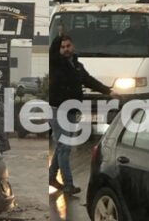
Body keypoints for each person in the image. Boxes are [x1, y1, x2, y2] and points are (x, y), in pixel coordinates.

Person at [48, 34, 114, 195]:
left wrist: (108, 91)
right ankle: (68, 184)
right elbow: (52, 54)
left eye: (68, 46)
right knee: (65, 147)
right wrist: (58, 38)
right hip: (58, 109)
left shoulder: (77, 66)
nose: (65, 50)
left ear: (73, 46)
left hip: (72, 110)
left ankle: (51, 177)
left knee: (62, 146)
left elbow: (89, 81)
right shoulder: (55, 64)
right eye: (62, 47)